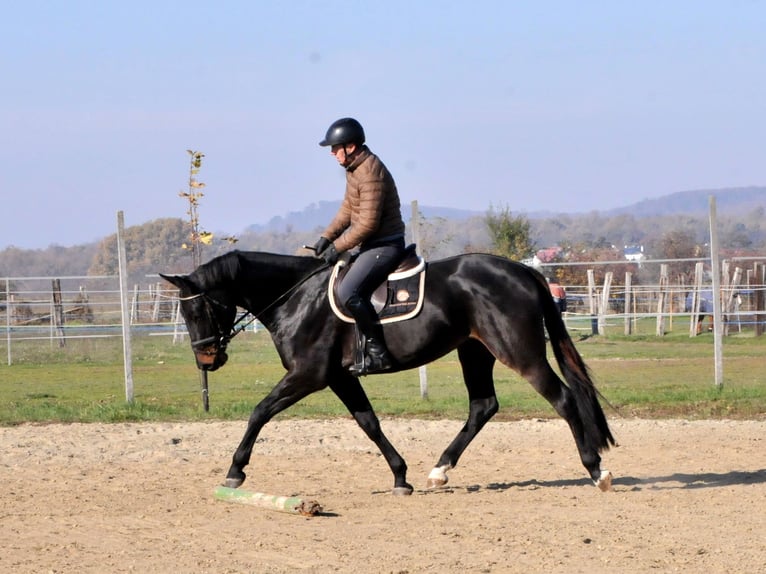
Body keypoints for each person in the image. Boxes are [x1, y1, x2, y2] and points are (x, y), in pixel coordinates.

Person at [312, 117, 406, 375]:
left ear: (350, 147)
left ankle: (378, 353)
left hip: (384, 245)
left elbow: (366, 225)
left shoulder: (369, 172)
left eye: (335, 148)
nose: (332, 153)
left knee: (348, 291)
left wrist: (337, 247)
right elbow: (347, 210)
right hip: (371, 245)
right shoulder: (354, 169)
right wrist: (326, 237)